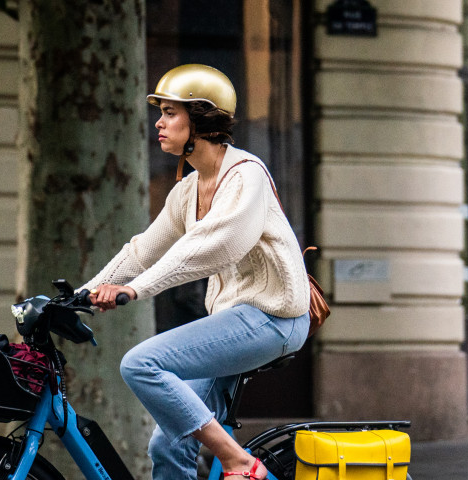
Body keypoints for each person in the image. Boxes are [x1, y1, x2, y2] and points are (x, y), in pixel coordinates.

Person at [81, 64, 311, 480]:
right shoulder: (188, 189)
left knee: (141, 364)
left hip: (275, 318)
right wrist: (81, 295)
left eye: (171, 112)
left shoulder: (246, 177)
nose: (160, 122)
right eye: (161, 112)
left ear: (202, 118)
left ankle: (237, 459)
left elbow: (212, 247)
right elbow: (143, 249)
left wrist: (133, 291)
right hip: (234, 320)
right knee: (167, 442)